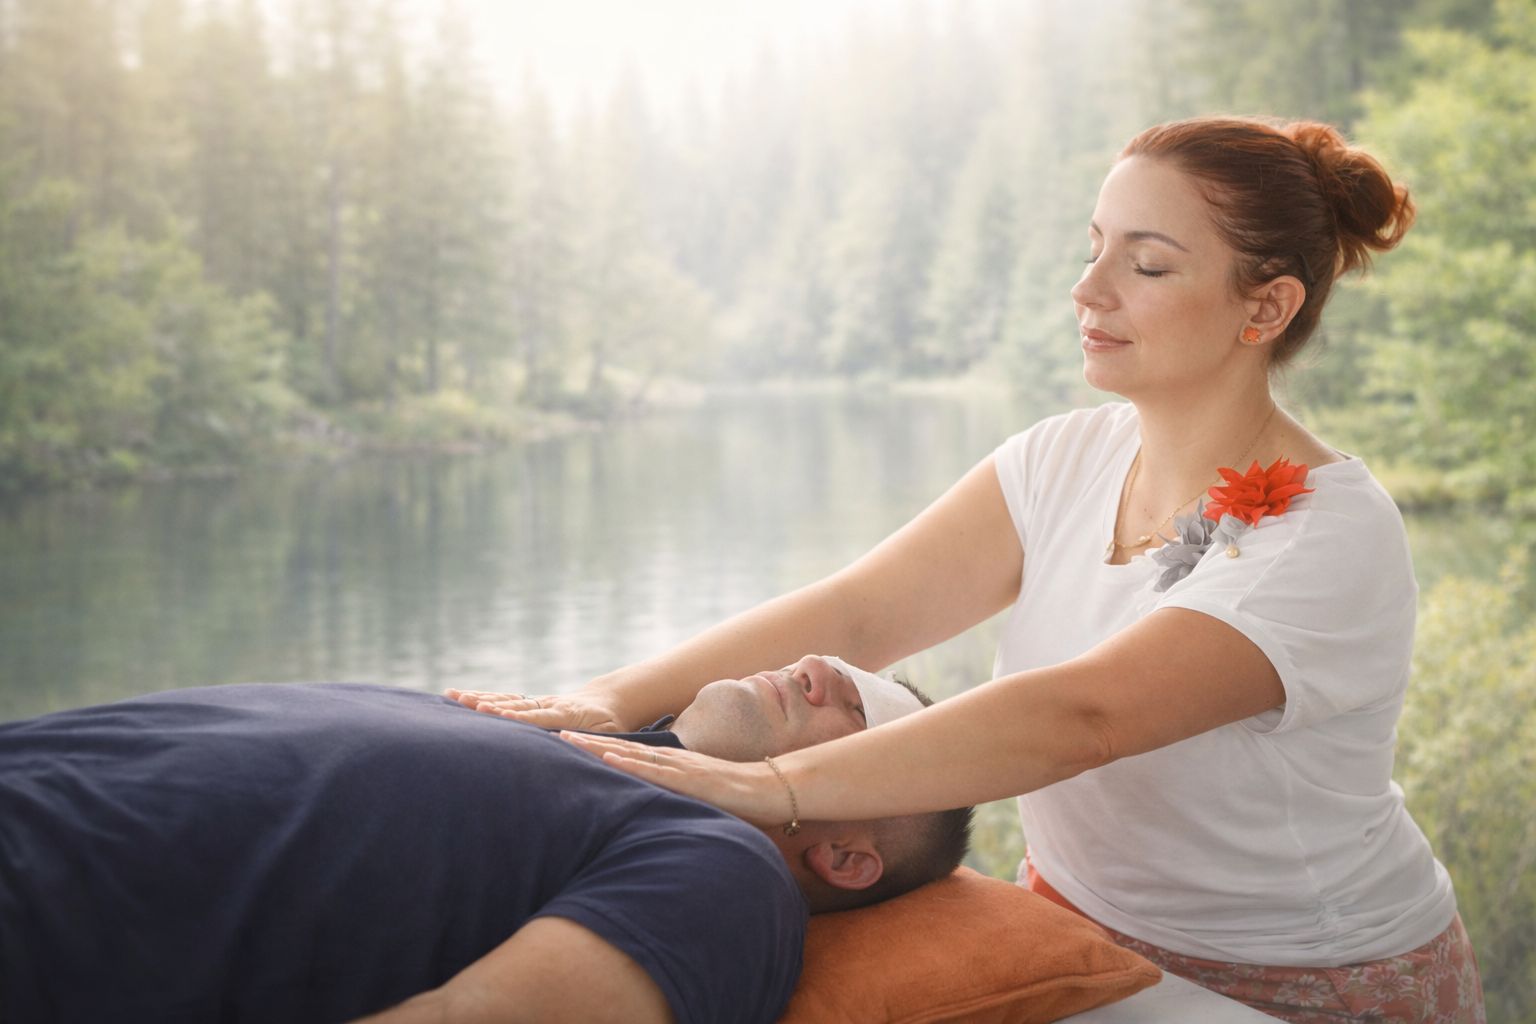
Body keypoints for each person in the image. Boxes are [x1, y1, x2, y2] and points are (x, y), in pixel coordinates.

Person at [468, 117, 1486, 1023]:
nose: (1087, 291)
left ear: (1262, 308)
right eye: (1094, 250)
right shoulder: (1064, 457)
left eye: (1148, 265)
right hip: (1073, 927)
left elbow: (1082, 718)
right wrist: (607, 698)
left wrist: (773, 785)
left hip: (1311, 978)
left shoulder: (1325, 536)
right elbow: (862, 610)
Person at [0, 656, 971, 1024]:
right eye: (841, 667)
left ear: (847, 855)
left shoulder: (724, 876)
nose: (817, 668)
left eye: (865, 714)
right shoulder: (550, 736)